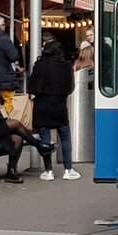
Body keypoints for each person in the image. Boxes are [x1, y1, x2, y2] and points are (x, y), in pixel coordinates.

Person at [0, 73, 53, 184]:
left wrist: (1, 119)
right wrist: (2, 121)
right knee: (15, 123)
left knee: (17, 139)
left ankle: (12, 170)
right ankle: (39, 146)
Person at [29, 39, 78, 180]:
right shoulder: (65, 66)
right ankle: (68, 169)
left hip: (41, 106)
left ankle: (48, 170)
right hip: (59, 106)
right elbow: (70, 88)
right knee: (65, 137)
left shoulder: (39, 65)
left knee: (45, 139)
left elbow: (31, 87)